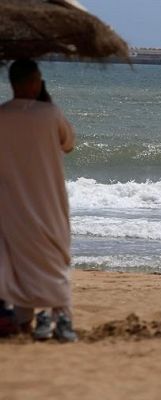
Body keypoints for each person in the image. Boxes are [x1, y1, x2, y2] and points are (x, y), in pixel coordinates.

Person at [0, 59, 77, 342]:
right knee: (52, 260)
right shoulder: (50, 113)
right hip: (47, 202)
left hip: (10, 206)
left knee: (17, 263)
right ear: (35, 82)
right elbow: (68, 143)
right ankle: (59, 316)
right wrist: (47, 102)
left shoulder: (2, 115)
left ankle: (23, 320)